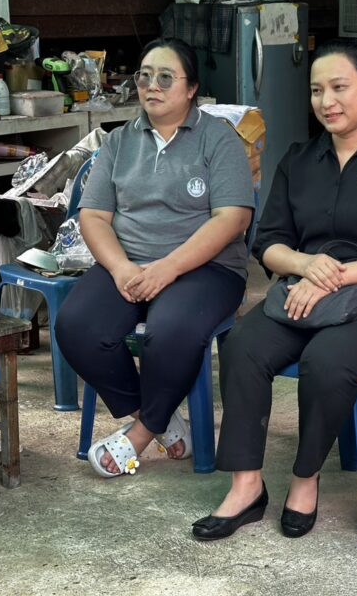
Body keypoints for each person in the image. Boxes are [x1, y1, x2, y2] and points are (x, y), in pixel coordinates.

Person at [191, 39, 357, 541]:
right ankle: (246, 486)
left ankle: (306, 477)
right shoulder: (299, 160)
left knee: (327, 359)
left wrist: (335, 277)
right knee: (243, 345)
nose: (327, 101)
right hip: (305, 290)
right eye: (316, 90)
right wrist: (306, 265)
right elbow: (268, 243)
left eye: (340, 87)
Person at [56, 38, 254, 477]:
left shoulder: (218, 140)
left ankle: (142, 433)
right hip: (130, 263)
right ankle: (158, 414)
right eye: (144, 76)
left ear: (191, 88)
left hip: (207, 268)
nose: (152, 86)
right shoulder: (119, 142)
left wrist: (168, 268)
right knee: (76, 326)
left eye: (166, 77)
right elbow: (94, 217)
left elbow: (232, 219)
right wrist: (120, 267)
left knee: (171, 332)